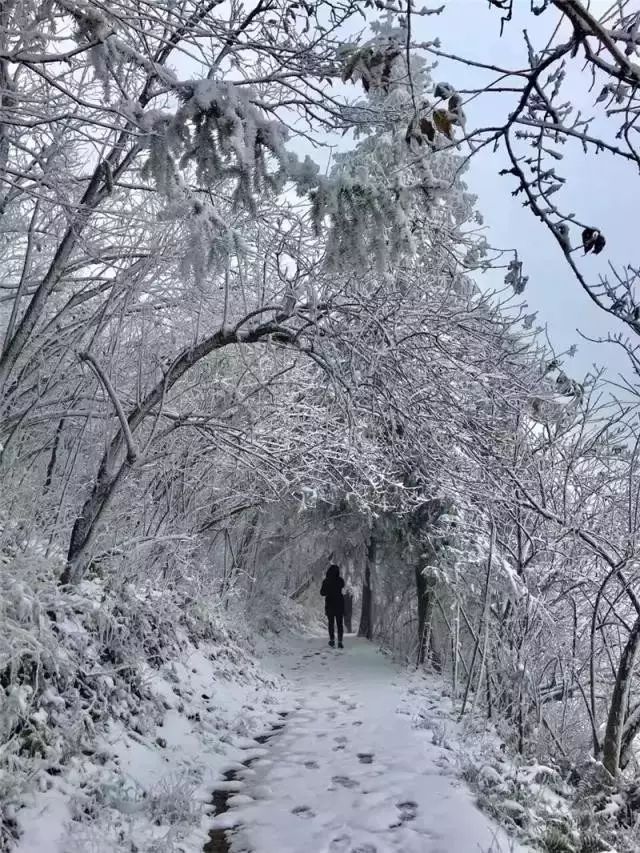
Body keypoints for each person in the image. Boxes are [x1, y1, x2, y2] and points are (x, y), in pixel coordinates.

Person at [320, 564, 345, 648]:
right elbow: (342, 585)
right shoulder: (340, 580)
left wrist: (328, 591)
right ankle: (340, 641)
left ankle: (332, 640)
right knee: (339, 624)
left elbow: (322, 593)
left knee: (331, 623)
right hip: (339, 604)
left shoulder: (326, 581)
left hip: (330, 604)